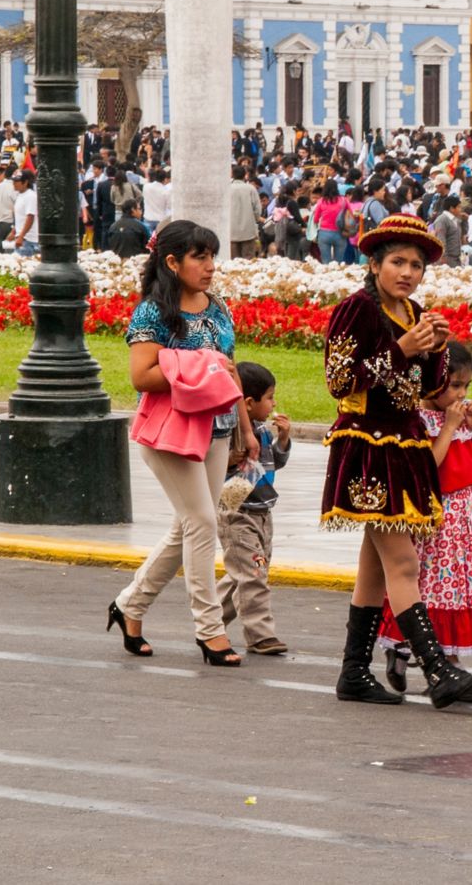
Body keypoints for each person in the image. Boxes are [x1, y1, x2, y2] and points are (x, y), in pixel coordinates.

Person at [320, 213, 472, 709]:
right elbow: (338, 381)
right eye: (397, 261)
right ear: (374, 264)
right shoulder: (356, 309)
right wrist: (402, 347)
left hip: (406, 447)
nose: (408, 272)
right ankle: (438, 670)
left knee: (375, 567)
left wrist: (435, 348)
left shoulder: (415, 313)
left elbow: (430, 390)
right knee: (403, 560)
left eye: (416, 265)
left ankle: (354, 672)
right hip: (369, 449)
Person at [108, 221, 256, 668]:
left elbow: (229, 372)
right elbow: (141, 377)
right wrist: (198, 364)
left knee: (189, 525)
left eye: (212, 256)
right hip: (171, 430)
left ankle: (129, 606)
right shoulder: (152, 312)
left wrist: (245, 430)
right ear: (172, 263)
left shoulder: (218, 306)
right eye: (200, 257)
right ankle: (209, 631)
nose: (211, 267)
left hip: (219, 426)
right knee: (202, 522)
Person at [377, 341, 472, 689]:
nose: (461, 393)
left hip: (469, 513)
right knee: (434, 589)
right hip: (437, 515)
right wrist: (447, 428)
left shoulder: (462, 419)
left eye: (465, 385)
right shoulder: (418, 420)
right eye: (454, 385)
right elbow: (426, 469)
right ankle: (428, 655)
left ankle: (447, 657)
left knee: (462, 590)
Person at [216, 361, 291, 656]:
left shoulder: (260, 432)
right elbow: (214, 466)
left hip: (262, 513)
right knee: (254, 572)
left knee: (244, 573)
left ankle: (211, 619)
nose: (274, 404)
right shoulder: (233, 431)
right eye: (270, 397)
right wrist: (229, 461)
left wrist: (283, 439)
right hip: (238, 513)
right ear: (249, 402)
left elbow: (276, 463)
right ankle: (261, 634)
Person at [227, 165, 264, 259]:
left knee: (234, 260)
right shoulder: (251, 189)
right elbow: (257, 209)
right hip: (249, 230)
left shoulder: (227, 188)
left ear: (232, 174)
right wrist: (255, 219)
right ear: (245, 175)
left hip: (231, 230)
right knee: (248, 260)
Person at [311, 179, 347, 264]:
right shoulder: (343, 200)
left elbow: (315, 219)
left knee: (326, 262)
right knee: (339, 262)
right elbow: (350, 214)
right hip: (340, 233)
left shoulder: (321, 201)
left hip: (324, 233)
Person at [430, 194, 465, 267]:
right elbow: (440, 239)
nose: (460, 209)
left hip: (455, 258)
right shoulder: (442, 220)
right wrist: (443, 257)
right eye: (459, 207)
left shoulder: (456, 220)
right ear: (452, 208)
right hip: (446, 259)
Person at [11, 171, 40, 257]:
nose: (14, 184)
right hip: (21, 238)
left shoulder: (30, 196)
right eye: (13, 181)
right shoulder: (20, 195)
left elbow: (30, 217)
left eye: (17, 181)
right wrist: (14, 232)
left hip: (27, 240)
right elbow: (21, 217)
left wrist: (21, 236)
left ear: (25, 182)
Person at [142, 168, 170, 234]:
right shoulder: (166, 191)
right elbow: (169, 206)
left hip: (148, 218)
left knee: (148, 241)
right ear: (165, 179)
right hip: (161, 220)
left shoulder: (146, 187)